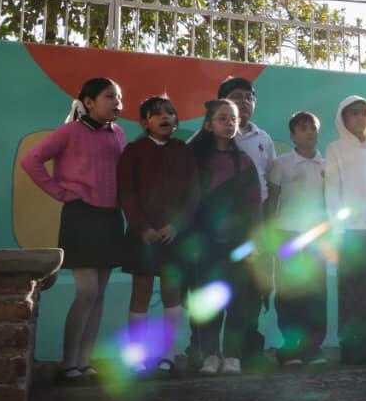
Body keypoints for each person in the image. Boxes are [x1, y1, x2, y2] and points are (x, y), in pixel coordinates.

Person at [20, 77, 127, 384]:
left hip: (110, 217)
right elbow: (32, 161)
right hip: (81, 215)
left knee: (100, 293)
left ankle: (84, 361)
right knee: (87, 291)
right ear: (89, 102)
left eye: (119, 98)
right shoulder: (70, 131)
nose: (117, 104)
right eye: (110, 97)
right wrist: (60, 192)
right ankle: (69, 362)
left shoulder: (117, 133)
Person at [118, 96, 198, 376]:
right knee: (140, 292)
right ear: (144, 121)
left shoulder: (184, 151)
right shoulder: (133, 150)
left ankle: (168, 355)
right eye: (157, 114)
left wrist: (177, 226)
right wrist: (142, 228)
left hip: (174, 237)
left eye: (170, 113)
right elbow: (127, 193)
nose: (165, 118)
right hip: (143, 237)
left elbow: (192, 195)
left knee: (171, 294)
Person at [188, 99, 264, 374]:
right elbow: (189, 203)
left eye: (232, 118)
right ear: (209, 124)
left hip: (239, 244)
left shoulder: (244, 162)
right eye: (222, 118)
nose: (229, 123)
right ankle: (209, 355)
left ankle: (232, 355)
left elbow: (254, 204)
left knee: (238, 300)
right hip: (206, 243)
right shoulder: (197, 159)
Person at [324, 96, 366, 364]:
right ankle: (348, 344)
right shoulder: (335, 149)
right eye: (354, 113)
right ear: (343, 118)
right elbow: (332, 192)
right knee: (348, 289)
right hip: (347, 233)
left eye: (364, 112)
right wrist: (337, 232)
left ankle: (363, 342)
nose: (360, 117)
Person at [216, 77, 276, 367]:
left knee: (253, 289)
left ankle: (247, 349)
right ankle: (206, 352)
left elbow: (271, 183)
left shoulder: (263, 139)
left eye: (249, 97)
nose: (244, 102)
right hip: (221, 224)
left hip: (257, 222)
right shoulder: (212, 136)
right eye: (236, 96)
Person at [265, 111, 329, 367]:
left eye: (313, 128)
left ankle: (313, 348)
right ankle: (290, 348)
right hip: (286, 233)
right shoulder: (281, 164)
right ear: (293, 135)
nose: (309, 133)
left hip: (316, 236)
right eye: (303, 129)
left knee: (315, 292)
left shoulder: (326, 165)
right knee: (289, 292)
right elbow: (272, 201)